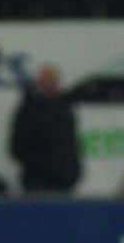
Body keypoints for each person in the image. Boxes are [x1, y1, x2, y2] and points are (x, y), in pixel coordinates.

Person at [8, 64, 81, 194]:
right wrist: (36, 165)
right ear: (39, 82)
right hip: (37, 182)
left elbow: (71, 144)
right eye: (46, 79)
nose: (50, 83)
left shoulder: (66, 107)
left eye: (53, 79)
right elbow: (16, 146)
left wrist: (72, 171)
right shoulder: (28, 109)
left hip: (64, 181)